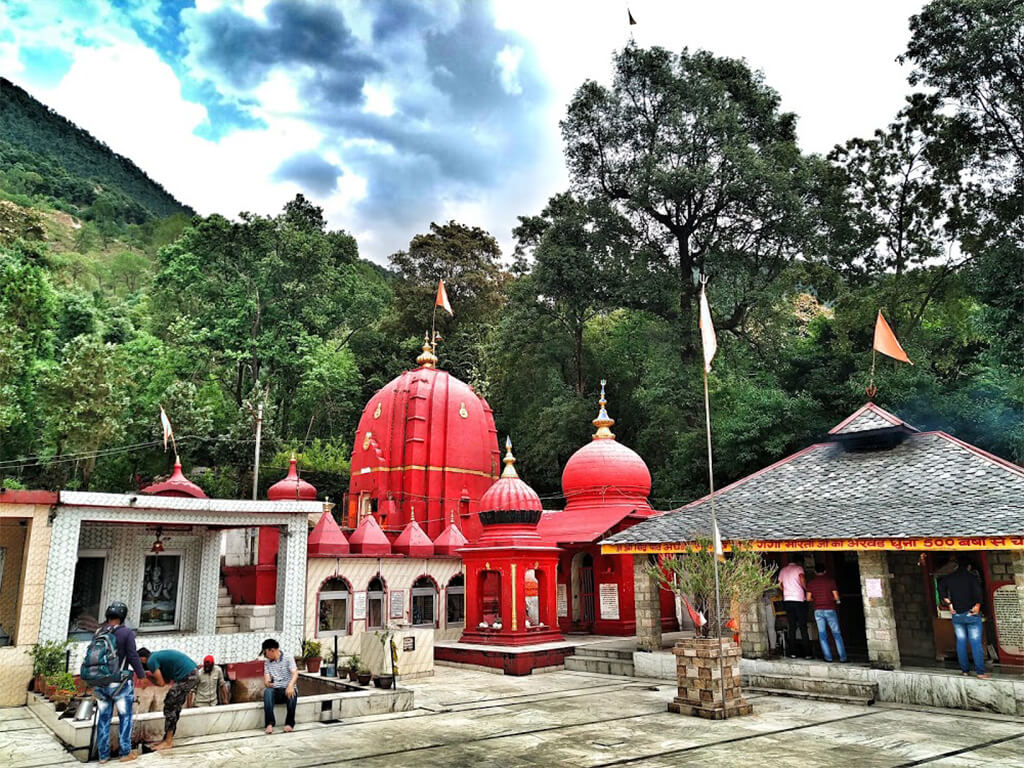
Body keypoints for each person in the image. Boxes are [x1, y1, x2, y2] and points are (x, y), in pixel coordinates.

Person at [90, 602, 146, 764]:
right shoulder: (126, 633)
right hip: (119, 684)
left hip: (101, 683)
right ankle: (124, 753)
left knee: (103, 718)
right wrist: (141, 675)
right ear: (122, 618)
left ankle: (103, 755)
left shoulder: (99, 632)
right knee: (125, 717)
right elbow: (133, 656)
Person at [136, 648, 199, 750]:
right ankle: (167, 739)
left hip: (188, 676)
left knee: (170, 705)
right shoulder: (157, 658)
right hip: (192, 674)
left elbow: (160, 683)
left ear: (142, 659)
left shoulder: (151, 660)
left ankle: (168, 741)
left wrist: (147, 677)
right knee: (174, 706)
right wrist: (149, 677)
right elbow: (165, 681)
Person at [939, 556, 989, 678]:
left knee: (961, 642)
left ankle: (965, 671)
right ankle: (980, 672)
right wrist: (977, 605)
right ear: (969, 567)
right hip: (971, 614)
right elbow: (978, 592)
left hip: (957, 615)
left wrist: (949, 604)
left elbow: (940, 587)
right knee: (975, 642)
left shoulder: (950, 578)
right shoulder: (972, 578)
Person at [806, 564, 848, 663]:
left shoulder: (811, 583)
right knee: (836, 634)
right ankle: (843, 657)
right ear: (825, 571)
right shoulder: (830, 581)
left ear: (815, 572)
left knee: (822, 634)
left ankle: (828, 657)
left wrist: (815, 599)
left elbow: (808, 598)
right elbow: (836, 597)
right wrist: (832, 599)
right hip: (830, 609)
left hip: (818, 611)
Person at [262, 638, 298, 734]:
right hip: (275, 690)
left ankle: (289, 724)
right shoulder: (267, 662)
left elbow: (295, 673)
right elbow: (266, 678)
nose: (265, 656)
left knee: (292, 692)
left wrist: (290, 685)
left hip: (287, 688)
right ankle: (269, 724)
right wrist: (267, 683)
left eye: (266, 653)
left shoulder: (288, 657)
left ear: (272, 650)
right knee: (267, 691)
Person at [778, 555, 812, 659]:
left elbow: (779, 584)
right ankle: (807, 653)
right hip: (798, 599)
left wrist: (785, 590)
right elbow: (801, 578)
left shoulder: (783, 570)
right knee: (802, 626)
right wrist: (806, 588)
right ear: (798, 562)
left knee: (792, 626)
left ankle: (792, 652)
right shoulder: (798, 568)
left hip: (787, 599)